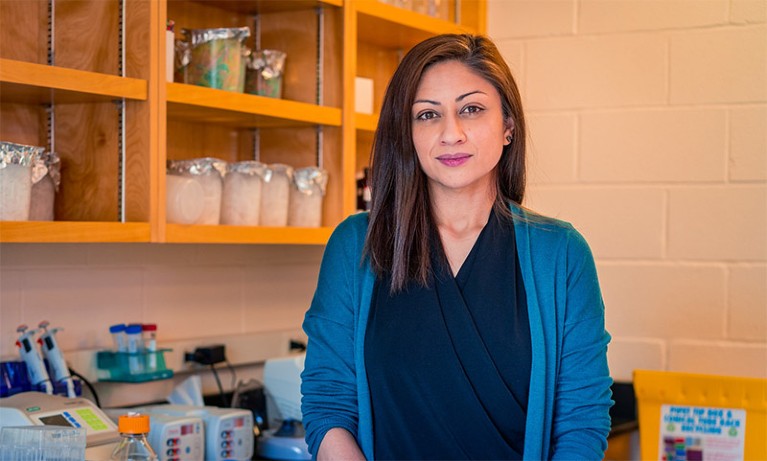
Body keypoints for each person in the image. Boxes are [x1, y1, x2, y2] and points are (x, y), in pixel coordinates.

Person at [300, 33, 613, 460]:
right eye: (428, 115)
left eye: (471, 109)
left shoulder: (560, 253)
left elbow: (581, 423)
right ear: (406, 133)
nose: (452, 133)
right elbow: (330, 404)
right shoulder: (357, 245)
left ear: (508, 126)